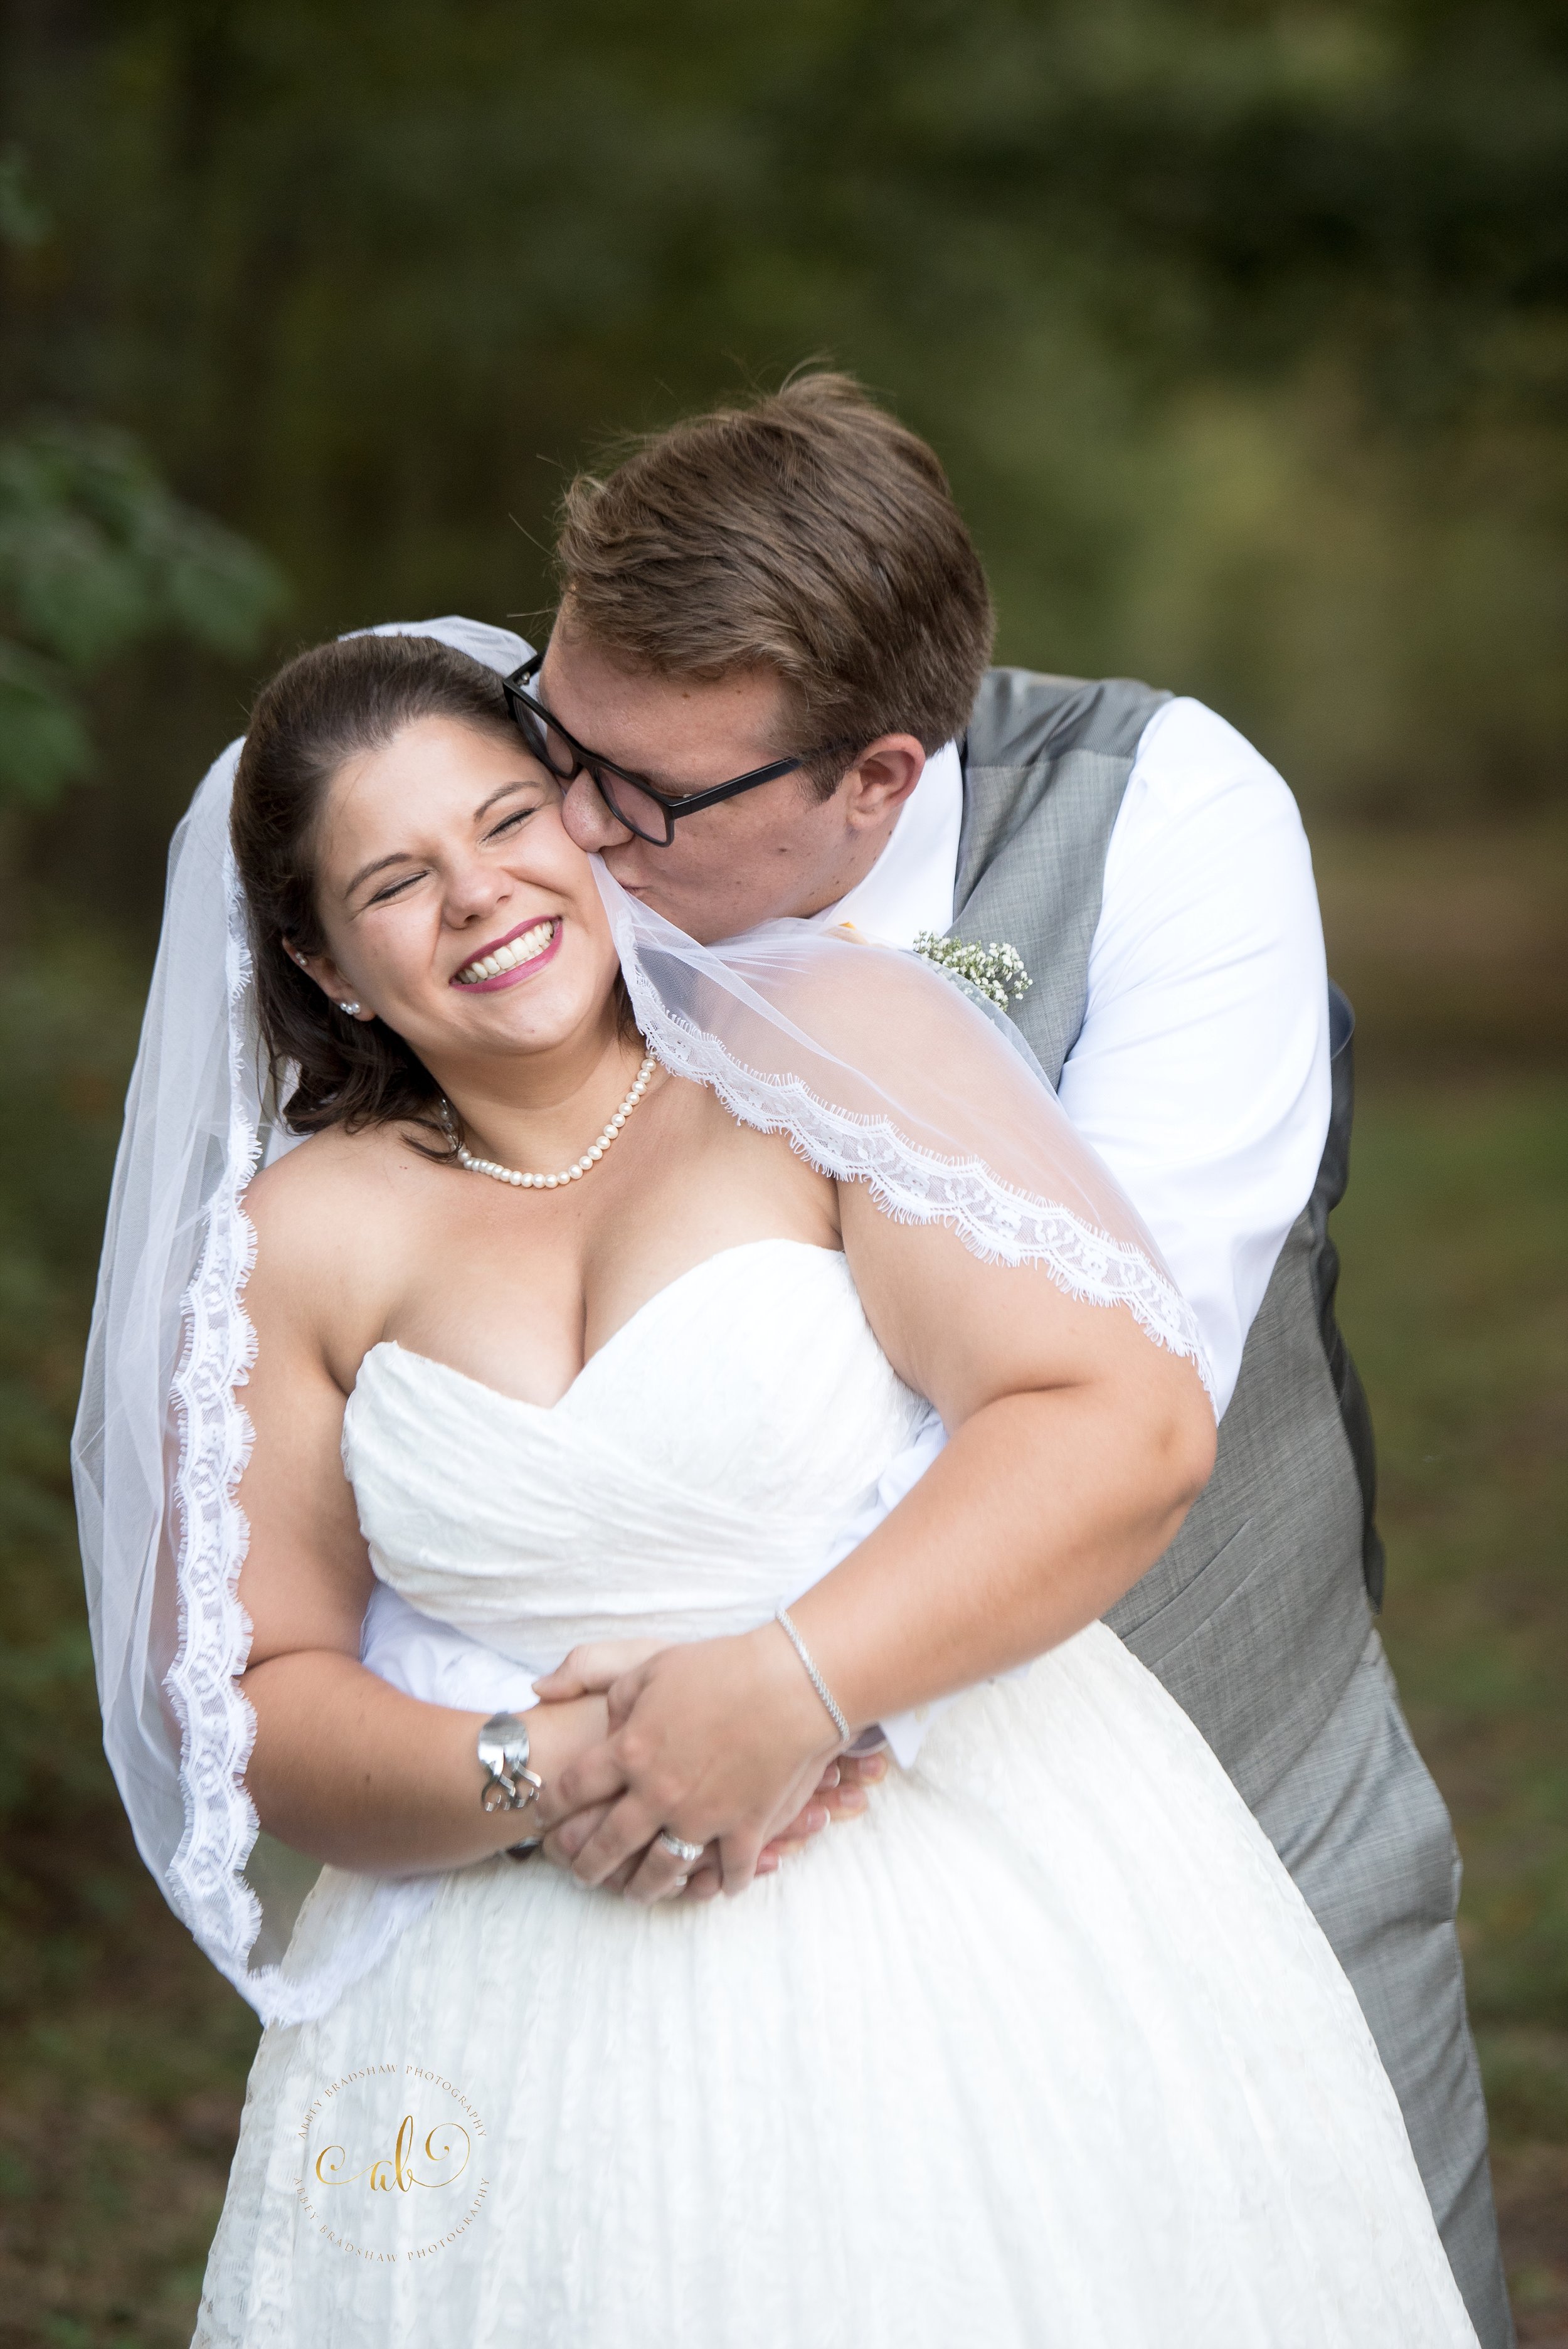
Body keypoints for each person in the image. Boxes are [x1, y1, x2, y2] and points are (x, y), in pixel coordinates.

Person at [79, 622, 1478, 2346]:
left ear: (588, 821)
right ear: (329, 961)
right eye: (394, 880)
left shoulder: (821, 1056)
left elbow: (1102, 1411)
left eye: (510, 821)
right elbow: (249, 1694)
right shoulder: (294, 1242)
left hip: (957, 1913)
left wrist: (783, 1684)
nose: (479, 896)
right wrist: (554, 1766)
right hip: (495, 1995)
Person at [507, 371, 1512, 2349]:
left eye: (656, 797)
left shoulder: (1162, 815)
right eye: (562, 741)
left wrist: (770, 1684)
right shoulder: (539, 850)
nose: (572, 832)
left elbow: (1134, 1383)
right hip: (743, 1921)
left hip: (1239, 1802)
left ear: (878, 778)